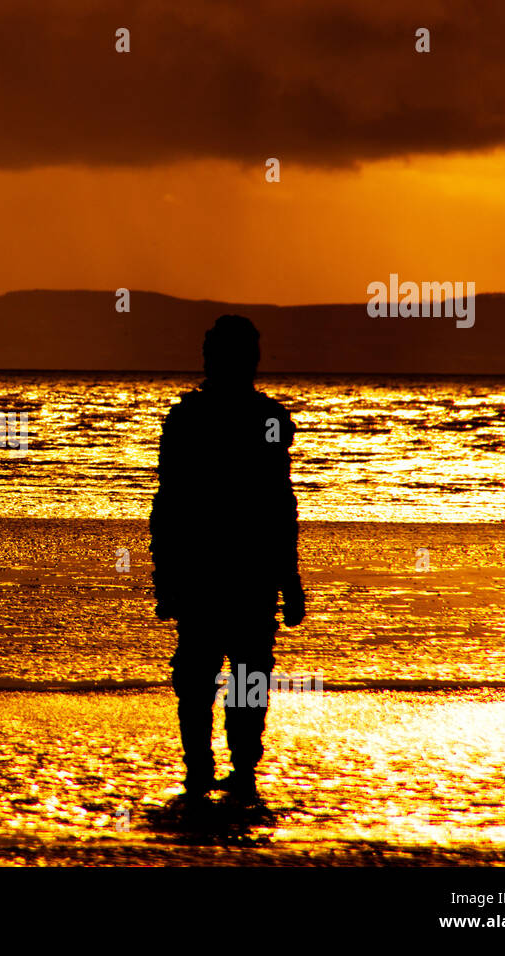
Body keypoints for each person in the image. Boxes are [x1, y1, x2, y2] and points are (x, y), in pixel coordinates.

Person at [149, 315, 306, 802]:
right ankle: (223, 766)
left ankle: (221, 765)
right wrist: (289, 578)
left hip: (221, 569)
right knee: (229, 673)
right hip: (231, 569)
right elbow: (277, 502)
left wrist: (289, 578)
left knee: (217, 673)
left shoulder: (197, 419)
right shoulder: (239, 420)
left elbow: (171, 505)